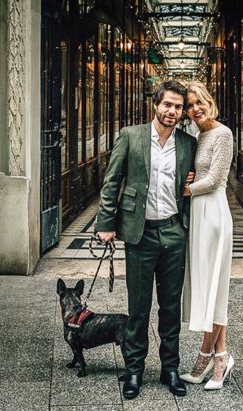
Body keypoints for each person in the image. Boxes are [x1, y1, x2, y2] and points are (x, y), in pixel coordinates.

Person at [93, 79, 198, 400]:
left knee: (170, 307)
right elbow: (112, 182)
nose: (172, 111)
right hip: (140, 234)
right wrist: (106, 223)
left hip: (173, 232)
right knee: (138, 308)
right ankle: (134, 370)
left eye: (178, 107)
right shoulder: (131, 136)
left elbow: (198, 180)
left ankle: (170, 369)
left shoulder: (187, 143)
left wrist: (192, 183)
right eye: (167, 104)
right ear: (156, 104)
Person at [179, 80, 235, 390]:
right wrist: (189, 177)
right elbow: (198, 170)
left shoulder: (222, 134)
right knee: (209, 288)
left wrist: (184, 189)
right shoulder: (196, 136)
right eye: (189, 105)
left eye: (198, 102)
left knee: (215, 286)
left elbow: (214, 179)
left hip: (213, 214)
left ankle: (206, 358)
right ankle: (221, 356)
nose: (194, 108)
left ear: (209, 101)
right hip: (198, 216)